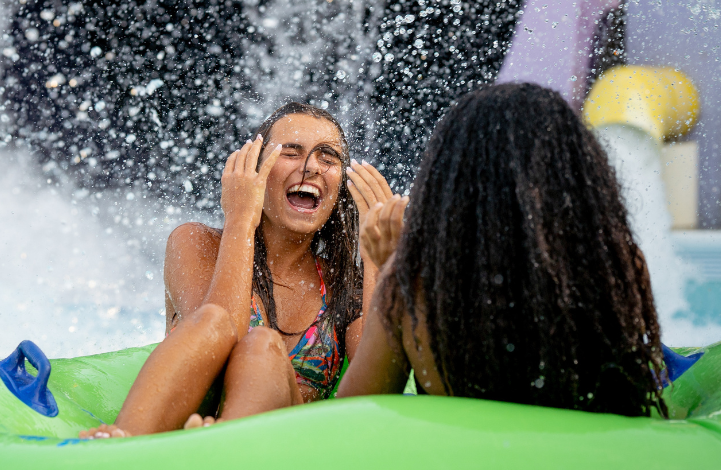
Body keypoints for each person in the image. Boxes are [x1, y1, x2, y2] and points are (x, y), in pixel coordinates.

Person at [337, 82, 667, 417]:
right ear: (574, 177)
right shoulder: (616, 267)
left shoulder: (415, 284)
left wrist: (390, 266)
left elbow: (351, 418)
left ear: (451, 183)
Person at [80, 102, 396, 438]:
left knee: (262, 347)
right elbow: (221, 332)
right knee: (216, 321)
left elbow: (375, 398)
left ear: (341, 187)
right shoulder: (197, 243)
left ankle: (218, 446)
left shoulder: (343, 285)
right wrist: (241, 221)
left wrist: (378, 259)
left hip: (283, 446)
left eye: (328, 158)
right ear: (254, 170)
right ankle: (121, 446)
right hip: (185, 426)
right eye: (290, 152)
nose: (311, 167)